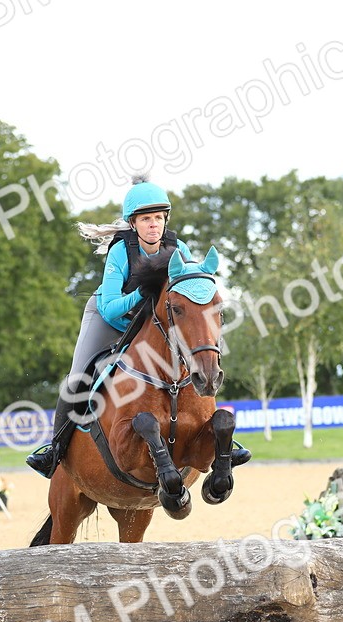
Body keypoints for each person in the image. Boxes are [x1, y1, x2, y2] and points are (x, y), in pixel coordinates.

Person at [26, 176, 249, 478]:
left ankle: (222, 439)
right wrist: (141, 293)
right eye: (146, 219)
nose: (154, 225)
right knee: (77, 378)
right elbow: (110, 306)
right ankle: (56, 448)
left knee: (194, 364)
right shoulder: (121, 251)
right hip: (111, 319)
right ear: (133, 223)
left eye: (158, 218)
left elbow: (188, 289)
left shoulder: (177, 246)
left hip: (152, 322)